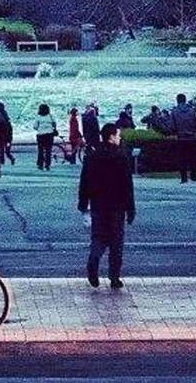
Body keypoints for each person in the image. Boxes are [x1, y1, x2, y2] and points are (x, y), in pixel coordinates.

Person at [78, 123, 135, 290]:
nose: (119, 138)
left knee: (98, 237)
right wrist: (131, 208)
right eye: (118, 135)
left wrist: (83, 202)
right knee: (116, 241)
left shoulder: (92, 156)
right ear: (111, 136)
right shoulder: (121, 156)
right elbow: (127, 185)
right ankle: (114, 277)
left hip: (98, 203)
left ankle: (94, 260)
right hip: (117, 205)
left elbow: (85, 181)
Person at [171, 93, 196, 183]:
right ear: (185, 100)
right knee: (193, 158)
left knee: (182, 158)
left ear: (177, 101)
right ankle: (194, 175)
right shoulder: (192, 111)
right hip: (191, 137)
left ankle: (184, 178)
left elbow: (172, 126)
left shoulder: (174, 112)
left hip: (181, 138)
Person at [34, 104, 57, 170]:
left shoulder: (38, 117)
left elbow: (35, 126)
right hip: (49, 135)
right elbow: (54, 123)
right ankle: (47, 165)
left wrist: (40, 129)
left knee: (40, 150)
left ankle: (40, 164)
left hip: (40, 135)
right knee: (48, 150)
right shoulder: (50, 116)